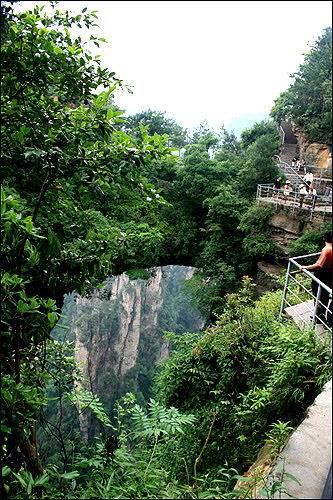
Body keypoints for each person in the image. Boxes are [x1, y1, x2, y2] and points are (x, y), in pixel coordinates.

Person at [300, 230, 332, 323]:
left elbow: (319, 264)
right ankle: (320, 317)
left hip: (321, 276)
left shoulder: (326, 249)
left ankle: (319, 318)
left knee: (318, 296)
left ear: (324, 238)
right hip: (329, 276)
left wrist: (304, 267)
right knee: (325, 296)